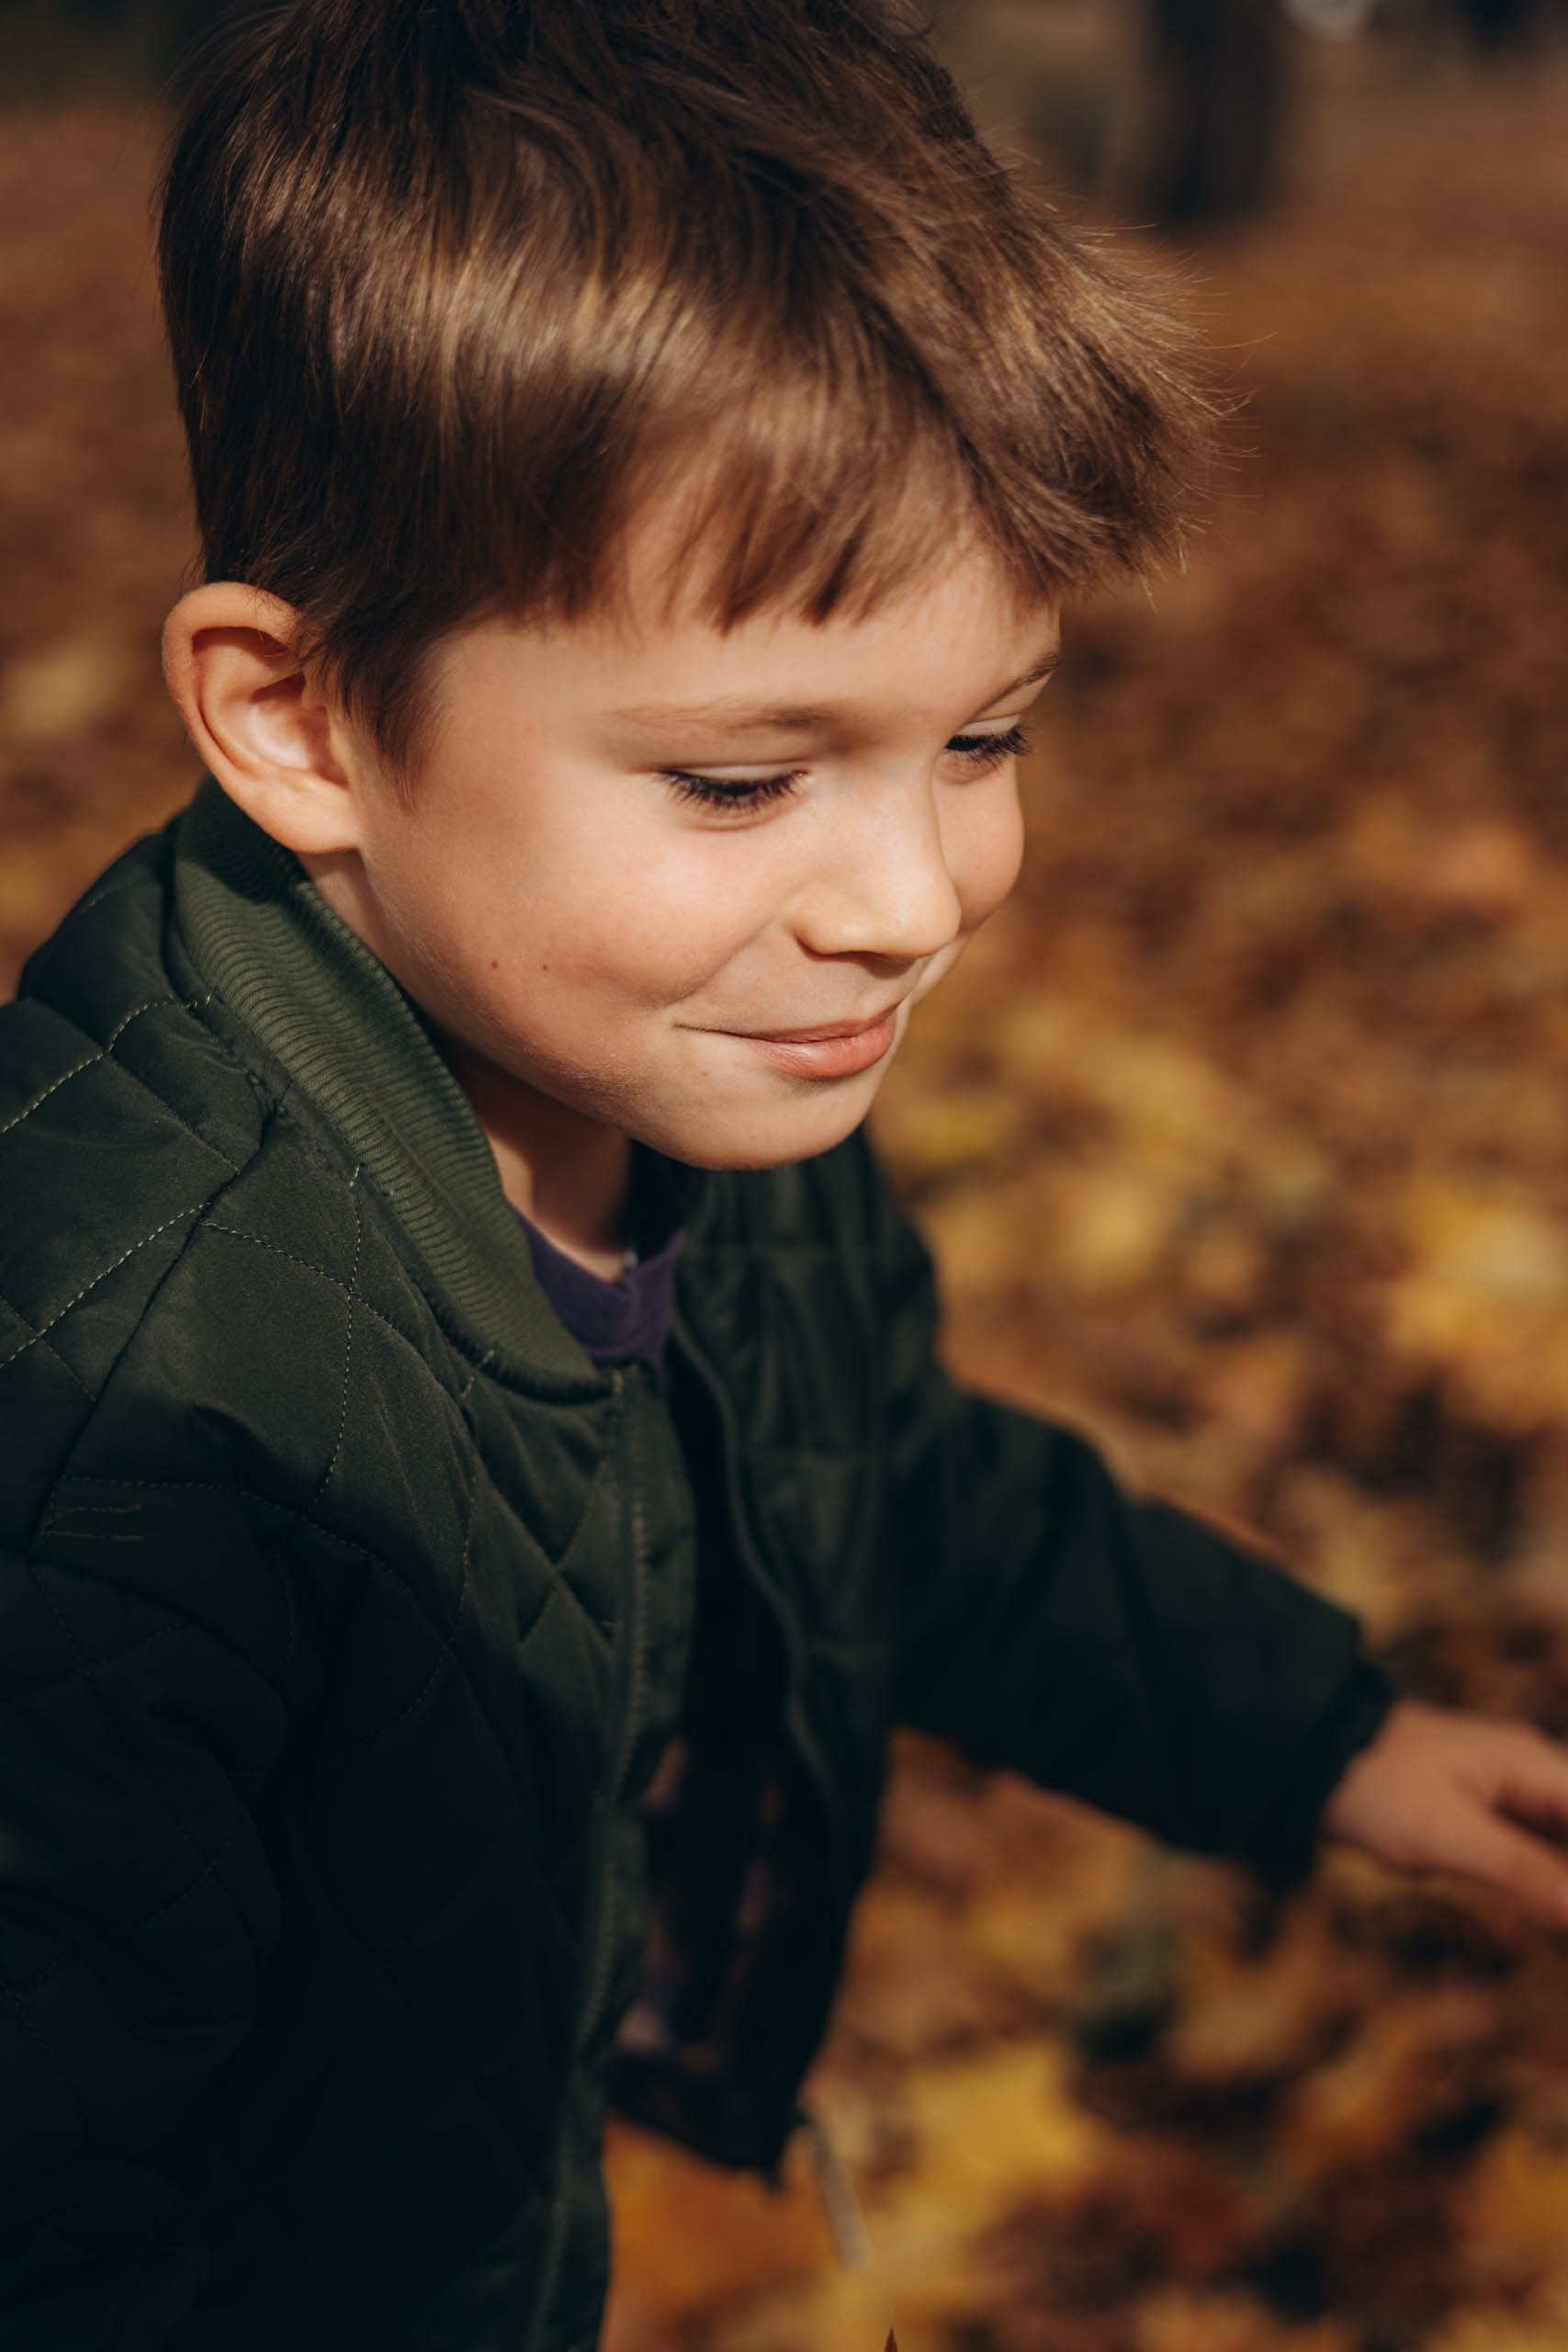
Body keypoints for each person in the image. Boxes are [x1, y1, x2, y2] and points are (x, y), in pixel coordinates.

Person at [5, 2, 1568, 2345]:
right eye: (743, 780)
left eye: (980, 737)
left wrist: (1305, 1728)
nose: (910, 899)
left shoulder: (695, 1068)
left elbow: (881, 1471)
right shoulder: (131, 1430)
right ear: (300, 720)